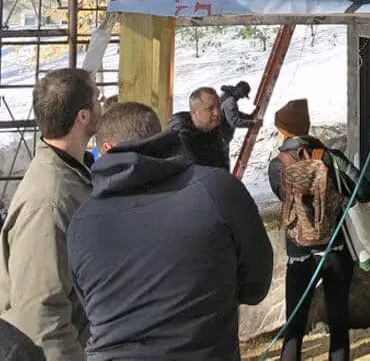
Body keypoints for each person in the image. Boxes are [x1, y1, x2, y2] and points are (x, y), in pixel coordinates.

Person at [68, 102, 272, 360]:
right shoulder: (217, 189)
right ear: (157, 135)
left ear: (106, 149)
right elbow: (255, 285)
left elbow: (90, 307)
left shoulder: (82, 221)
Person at [0, 69, 101, 361]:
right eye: (98, 98)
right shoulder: (49, 201)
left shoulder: (69, 173)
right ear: (83, 116)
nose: (102, 104)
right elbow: (41, 315)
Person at [268, 99, 370, 361]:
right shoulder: (331, 158)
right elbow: (365, 191)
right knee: (338, 322)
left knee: (294, 328)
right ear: (307, 126)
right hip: (336, 251)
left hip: (300, 255)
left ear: (284, 131)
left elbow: (286, 200)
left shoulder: (277, 166)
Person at [168, 87, 229, 170]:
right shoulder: (182, 142)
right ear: (194, 113)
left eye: (218, 107)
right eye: (210, 109)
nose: (217, 113)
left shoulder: (212, 128)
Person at [219, 82, 261, 159]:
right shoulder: (230, 101)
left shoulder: (226, 95)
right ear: (240, 92)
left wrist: (249, 117)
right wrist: (253, 124)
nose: (242, 98)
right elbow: (234, 122)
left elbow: (233, 113)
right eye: (243, 95)